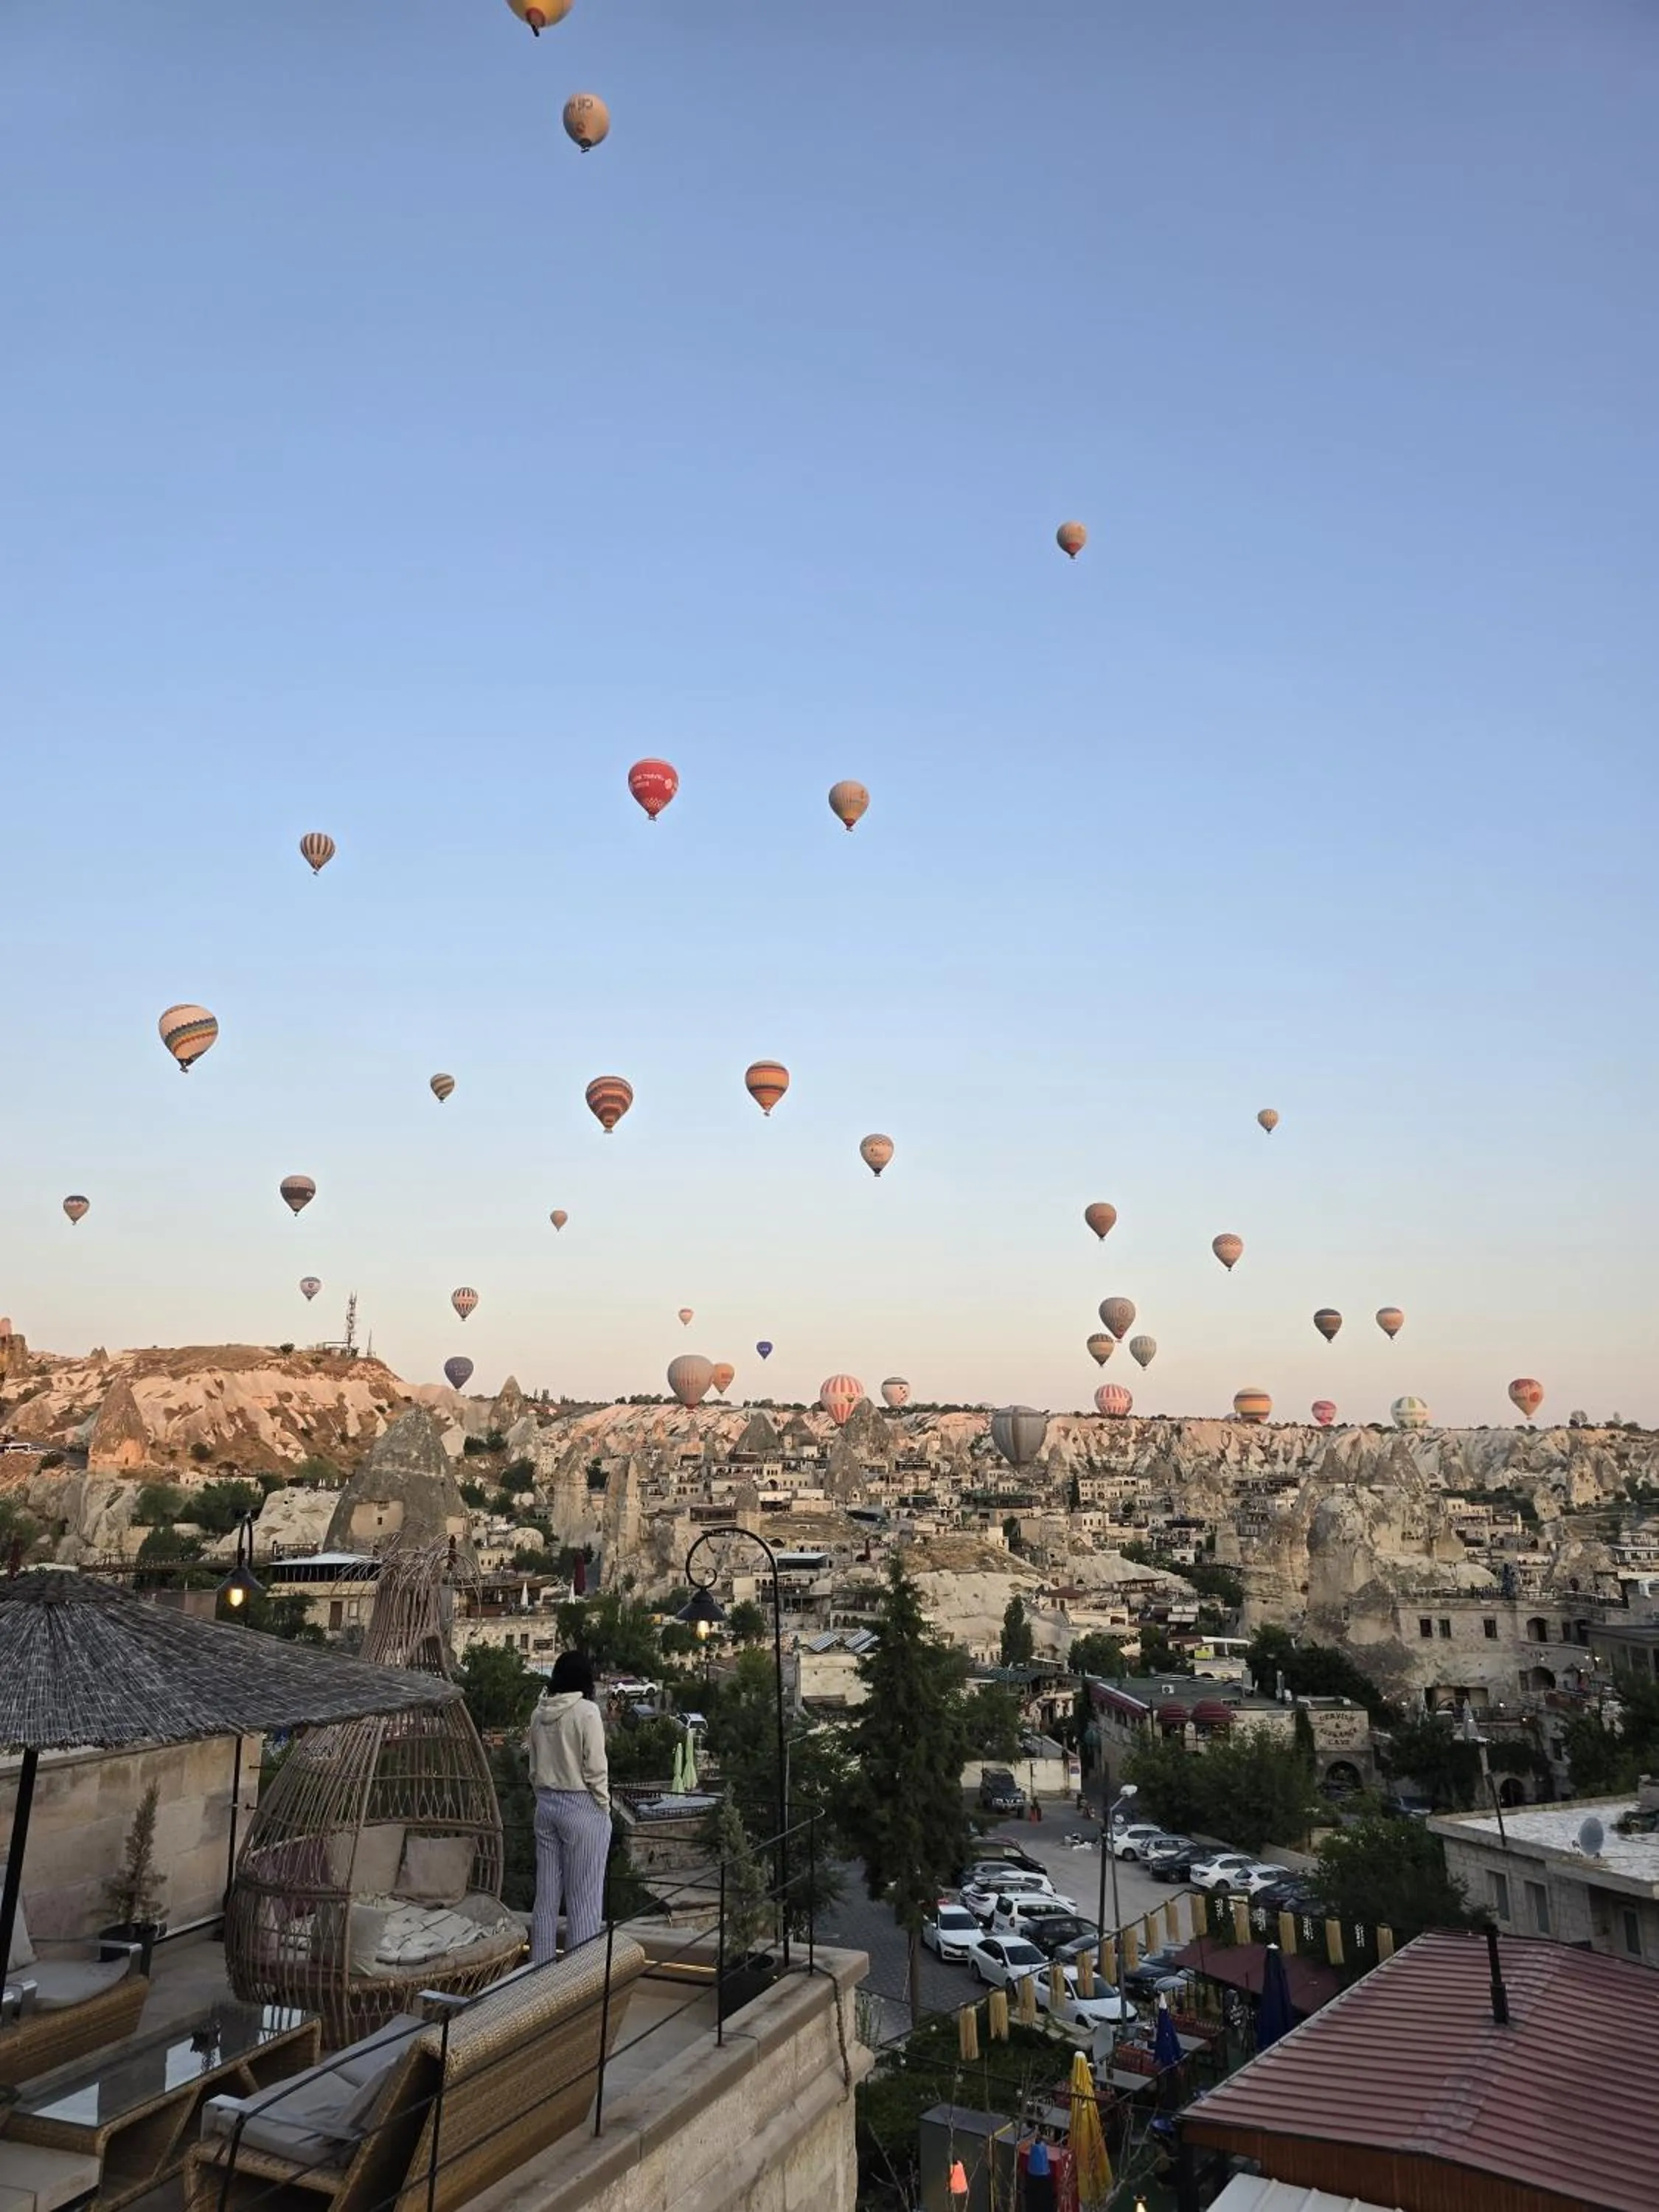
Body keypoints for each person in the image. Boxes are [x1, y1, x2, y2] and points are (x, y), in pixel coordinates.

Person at [527, 1650, 611, 1964]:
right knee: (584, 1899)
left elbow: (533, 1767)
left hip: (546, 1805)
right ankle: (579, 1979)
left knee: (546, 1896)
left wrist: (543, 1795)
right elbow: (596, 1768)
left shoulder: (539, 1713)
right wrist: (603, 1807)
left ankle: (541, 1968)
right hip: (581, 1806)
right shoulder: (586, 1712)